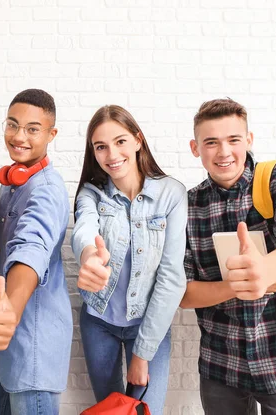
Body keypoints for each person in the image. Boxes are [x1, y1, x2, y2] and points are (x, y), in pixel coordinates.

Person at [180, 98, 276, 415]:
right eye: (211, 142)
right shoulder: (186, 206)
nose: (224, 152)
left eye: (233, 140)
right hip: (221, 366)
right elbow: (183, 292)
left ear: (248, 140)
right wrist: (238, 285)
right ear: (196, 148)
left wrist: (266, 268)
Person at [71, 105, 187, 415]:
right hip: (99, 322)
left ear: (137, 140)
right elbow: (84, 229)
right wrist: (90, 257)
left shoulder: (172, 194)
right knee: (108, 412)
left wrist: (143, 354)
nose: (112, 154)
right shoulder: (92, 193)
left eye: (120, 141)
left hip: (149, 326)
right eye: (101, 146)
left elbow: (172, 278)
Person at [0, 89, 73, 415]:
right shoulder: (12, 184)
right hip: (7, 346)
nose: (19, 136)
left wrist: (9, 311)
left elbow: (31, 248)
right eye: (12, 125)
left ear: (51, 134)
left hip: (33, 348)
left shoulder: (46, 190)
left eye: (33, 129)